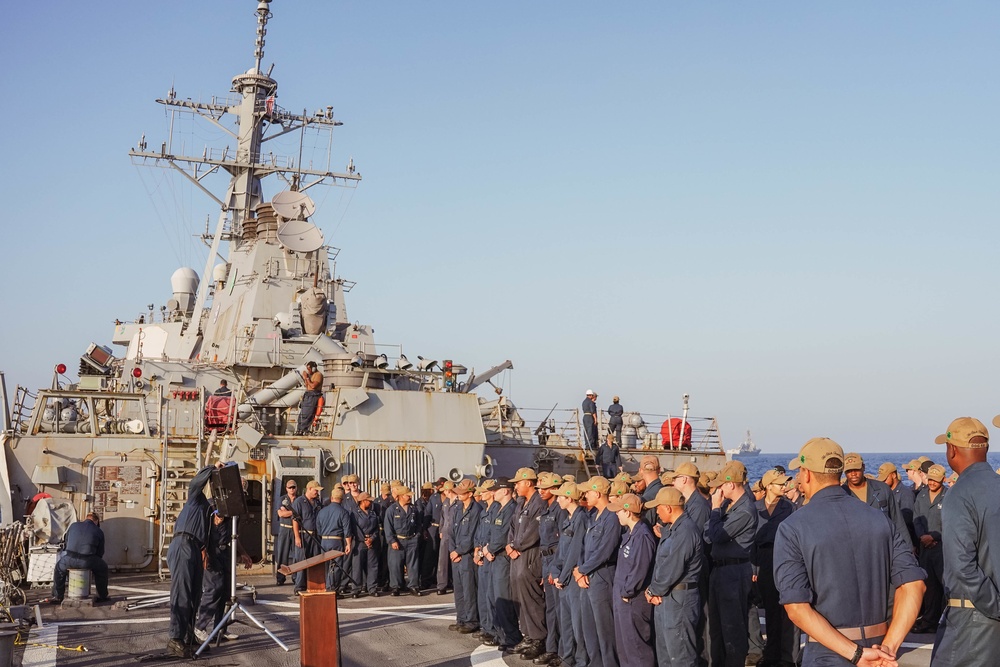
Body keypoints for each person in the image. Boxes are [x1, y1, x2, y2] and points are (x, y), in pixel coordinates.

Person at [775, 437, 925, 667]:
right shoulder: (879, 520)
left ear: (806, 474)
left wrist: (856, 654)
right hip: (878, 647)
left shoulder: (793, 527)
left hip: (827, 651)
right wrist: (889, 647)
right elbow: (915, 585)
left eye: (799, 473)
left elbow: (796, 608)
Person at [931, 416, 1000, 665]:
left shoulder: (959, 493)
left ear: (951, 450)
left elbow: (962, 565)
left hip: (973, 617)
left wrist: (995, 606)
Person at [167, 462, 224, 659]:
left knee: (194, 595)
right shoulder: (196, 499)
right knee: (182, 593)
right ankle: (175, 639)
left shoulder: (209, 514)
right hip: (183, 543)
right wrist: (212, 468)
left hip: (195, 549)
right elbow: (196, 482)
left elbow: (209, 541)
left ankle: (188, 637)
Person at [705, 460, 758, 667]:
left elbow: (716, 534)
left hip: (734, 571)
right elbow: (708, 534)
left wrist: (715, 508)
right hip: (721, 570)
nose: (719, 489)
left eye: (722, 485)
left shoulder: (745, 510)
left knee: (732, 628)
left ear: (731, 484)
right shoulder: (730, 506)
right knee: (717, 628)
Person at [645, 486, 703, 667]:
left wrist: (653, 589)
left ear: (669, 508)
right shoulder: (674, 529)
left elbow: (672, 567)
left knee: (681, 655)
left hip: (679, 599)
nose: (656, 511)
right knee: (666, 653)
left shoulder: (685, 531)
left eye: (658, 507)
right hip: (668, 597)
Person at [753, 469, 798, 667]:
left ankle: (789, 657)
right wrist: (753, 569)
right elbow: (750, 541)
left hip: (784, 558)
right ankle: (771, 654)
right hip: (763, 561)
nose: (784, 486)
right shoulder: (754, 508)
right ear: (769, 485)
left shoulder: (790, 507)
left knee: (789, 610)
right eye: (779, 483)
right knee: (770, 609)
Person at [575, 476, 621, 667]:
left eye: (588, 492)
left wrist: (582, 570)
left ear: (598, 493)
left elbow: (604, 551)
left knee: (605, 630)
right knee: (589, 628)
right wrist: (579, 570)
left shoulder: (612, 517)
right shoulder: (593, 515)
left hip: (602, 576)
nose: (585, 495)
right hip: (587, 576)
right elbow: (584, 547)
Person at [194, 505, 253, 644]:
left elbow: (234, 535)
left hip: (226, 552)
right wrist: (203, 551)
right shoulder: (211, 506)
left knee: (226, 591)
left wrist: (243, 552)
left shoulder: (235, 512)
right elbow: (202, 531)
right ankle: (200, 627)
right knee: (214, 588)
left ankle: (220, 629)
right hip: (212, 552)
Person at [611, 493, 656, 667]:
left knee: (637, 648)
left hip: (632, 600)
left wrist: (626, 591)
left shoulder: (642, 536)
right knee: (625, 646)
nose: (616, 514)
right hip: (623, 599)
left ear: (628, 512)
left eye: (619, 511)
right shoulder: (631, 533)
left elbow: (640, 568)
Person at [508, 467, 548, 660]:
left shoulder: (539, 504)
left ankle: (538, 638)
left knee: (532, 599)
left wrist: (516, 545)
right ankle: (528, 635)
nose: (515, 485)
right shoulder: (521, 503)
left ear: (529, 483)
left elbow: (533, 532)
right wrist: (510, 545)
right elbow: (512, 526)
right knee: (519, 596)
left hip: (530, 556)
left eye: (518, 482)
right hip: (517, 555)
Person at [553, 481, 591, 667]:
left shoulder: (581, 519)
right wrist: (555, 570)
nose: (557, 499)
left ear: (569, 498)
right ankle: (567, 658)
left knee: (578, 625)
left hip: (573, 579)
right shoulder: (568, 518)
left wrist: (563, 575)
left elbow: (575, 551)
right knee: (565, 622)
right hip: (564, 578)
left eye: (560, 496)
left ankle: (581, 661)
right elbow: (561, 550)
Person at [842, 453, 913, 548]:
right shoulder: (841, 494)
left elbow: (898, 522)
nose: (853, 474)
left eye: (856, 469)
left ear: (863, 467)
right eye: (849, 471)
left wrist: (908, 549)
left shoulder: (883, 489)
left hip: (884, 547)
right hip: (855, 550)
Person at [484, 477, 522, 651]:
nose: (493, 492)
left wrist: (489, 549)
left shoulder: (511, 509)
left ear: (506, 490)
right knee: (494, 597)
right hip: (494, 557)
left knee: (504, 598)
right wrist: (487, 549)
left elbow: (502, 536)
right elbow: (492, 533)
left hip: (502, 558)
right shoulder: (500, 509)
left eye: (496, 489)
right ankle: (500, 634)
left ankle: (511, 636)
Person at [910, 463, 948, 634]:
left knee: (945, 585)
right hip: (925, 549)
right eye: (931, 480)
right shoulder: (922, 496)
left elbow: (951, 522)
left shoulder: (949, 496)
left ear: (943, 480)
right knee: (929, 586)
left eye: (936, 480)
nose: (933, 483)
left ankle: (947, 621)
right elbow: (916, 518)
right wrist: (922, 537)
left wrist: (934, 537)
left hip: (942, 549)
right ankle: (929, 621)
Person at [535, 472, 565, 666]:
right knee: (551, 607)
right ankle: (552, 647)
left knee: (559, 609)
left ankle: (560, 650)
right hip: (547, 561)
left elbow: (563, 541)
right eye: (539, 488)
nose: (540, 491)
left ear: (555, 489)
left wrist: (556, 569)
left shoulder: (560, 511)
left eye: (544, 488)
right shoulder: (546, 509)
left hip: (556, 560)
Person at [49, 512, 110, 604]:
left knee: (59, 569)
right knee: (103, 568)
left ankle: (57, 596)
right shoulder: (98, 531)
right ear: (96, 521)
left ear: (86, 518)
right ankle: (102, 596)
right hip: (87, 560)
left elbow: (66, 540)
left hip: (69, 558)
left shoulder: (74, 525)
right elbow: (100, 552)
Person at [450, 479, 483, 633]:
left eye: (462, 493)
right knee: (459, 588)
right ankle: (461, 618)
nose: (459, 495)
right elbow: (451, 531)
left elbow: (472, 535)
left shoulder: (476, 510)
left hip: (467, 555)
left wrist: (459, 551)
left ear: (470, 493)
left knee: (469, 589)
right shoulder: (457, 508)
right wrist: (452, 550)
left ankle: (472, 620)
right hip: (456, 554)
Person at [384, 485, 422, 596]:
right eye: (407, 495)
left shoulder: (414, 509)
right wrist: (392, 541)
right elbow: (388, 527)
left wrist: (417, 537)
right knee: (395, 565)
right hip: (398, 540)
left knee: (413, 565)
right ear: (400, 496)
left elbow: (419, 525)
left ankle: (413, 586)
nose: (410, 497)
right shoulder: (391, 510)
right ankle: (396, 587)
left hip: (411, 540)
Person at [473, 479, 498, 643]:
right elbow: (479, 534)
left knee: (491, 595)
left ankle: (493, 629)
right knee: (483, 594)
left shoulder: (496, 510)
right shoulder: (484, 511)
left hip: (491, 556)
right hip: (482, 555)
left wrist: (485, 551)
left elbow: (494, 535)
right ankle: (486, 626)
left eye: (484, 491)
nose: (481, 494)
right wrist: (477, 550)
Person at [316, 488, 354, 592]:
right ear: (342, 499)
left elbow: (318, 529)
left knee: (327, 565)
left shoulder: (322, 511)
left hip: (324, 541)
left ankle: (326, 586)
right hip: (336, 540)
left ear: (332, 498)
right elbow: (347, 530)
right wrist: (348, 544)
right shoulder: (343, 512)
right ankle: (332, 589)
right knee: (336, 566)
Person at [291, 480, 325, 595]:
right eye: (316, 490)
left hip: (316, 536)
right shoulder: (299, 502)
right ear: (309, 489)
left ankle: (313, 584)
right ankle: (299, 586)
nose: (317, 493)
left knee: (315, 560)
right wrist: (297, 537)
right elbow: (295, 520)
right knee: (302, 560)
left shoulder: (318, 502)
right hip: (304, 535)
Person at [879, 462, 918, 547]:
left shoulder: (905, 493)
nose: (883, 482)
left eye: (885, 479)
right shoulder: (886, 493)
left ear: (893, 475)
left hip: (904, 540)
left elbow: (907, 520)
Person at [350, 492, 380, 597]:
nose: (371, 502)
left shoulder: (372, 513)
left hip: (371, 543)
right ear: (363, 501)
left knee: (372, 566)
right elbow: (355, 529)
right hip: (359, 543)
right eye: (369, 501)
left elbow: (376, 528)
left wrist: (372, 538)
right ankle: (356, 589)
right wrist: (364, 540)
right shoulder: (354, 513)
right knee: (357, 567)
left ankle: (372, 588)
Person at [274, 478, 298, 585]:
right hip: (284, 528)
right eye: (290, 487)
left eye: (293, 487)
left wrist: (287, 512)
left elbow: (298, 513)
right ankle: (280, 578)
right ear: (286, 488)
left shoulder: (299, 499)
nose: (292, 489)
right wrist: (294, 513)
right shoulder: (282, 499)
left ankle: (296, 577)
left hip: (295, 530)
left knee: (297, 554)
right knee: (282, 554)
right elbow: (281, 514)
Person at [295, 361, 324, 435]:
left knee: (307, 413)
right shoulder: (311, 375)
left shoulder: (318, 375)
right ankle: (299, 429)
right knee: (302, 415)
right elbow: (307, 386)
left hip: (313, 395)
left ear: (313, 368)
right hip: (308, 394)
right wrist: (305, 378)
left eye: (309, 369)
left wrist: (307, 378)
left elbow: (313, 386)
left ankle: (304, 429)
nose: (308, 371)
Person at [635, 455, 663, 528]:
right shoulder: (661, 490)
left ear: (640, 471)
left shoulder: (647, 497)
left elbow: (647, 523)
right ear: (659, 470)